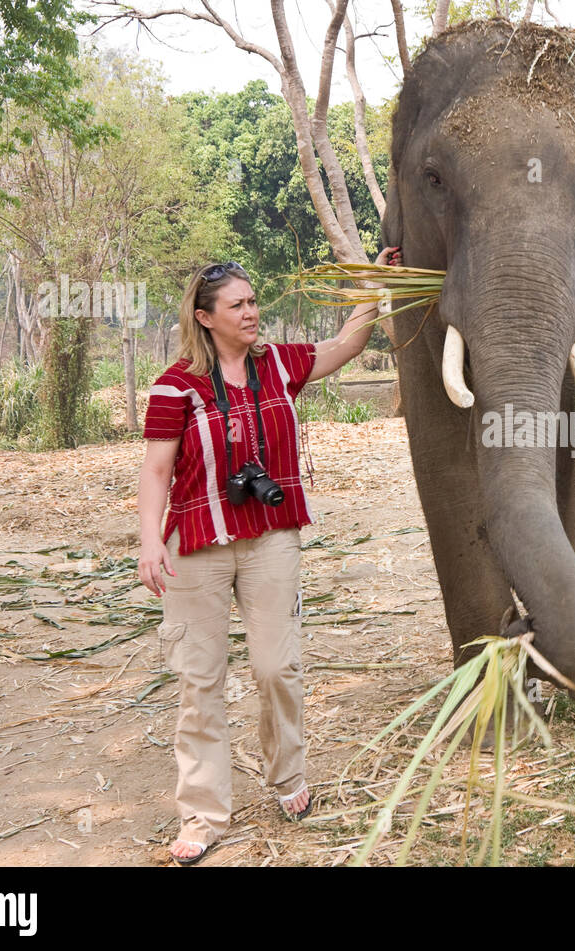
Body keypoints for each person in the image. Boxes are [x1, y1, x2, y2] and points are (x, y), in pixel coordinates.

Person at [137, 248, 401, 864]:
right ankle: (202, 814)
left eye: (254, 301)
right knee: (199, 680)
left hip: (271, 539)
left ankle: (288, 777)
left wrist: (373, 287)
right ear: (205, 317)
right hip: (197, 544)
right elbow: (155, 472)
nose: (252, 312)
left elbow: (345, 346)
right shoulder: (176, 386)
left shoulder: (278, 366)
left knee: (276, 666)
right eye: (238, 305)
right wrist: (149, 540)